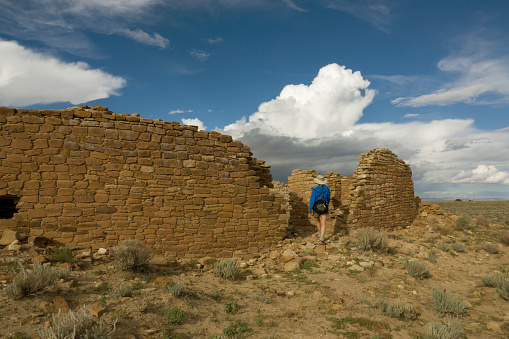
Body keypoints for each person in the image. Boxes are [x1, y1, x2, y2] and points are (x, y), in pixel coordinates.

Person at [309, 175, 331, 245]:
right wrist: (326, 203)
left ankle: (319, 233)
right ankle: (322, 238)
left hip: (316, 207)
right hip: (324, 206)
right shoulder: (327, 188)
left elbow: (312, 200)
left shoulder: (315, 189)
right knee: (323, 222)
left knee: (317, 221)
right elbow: (328, 199)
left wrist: (310, 208)